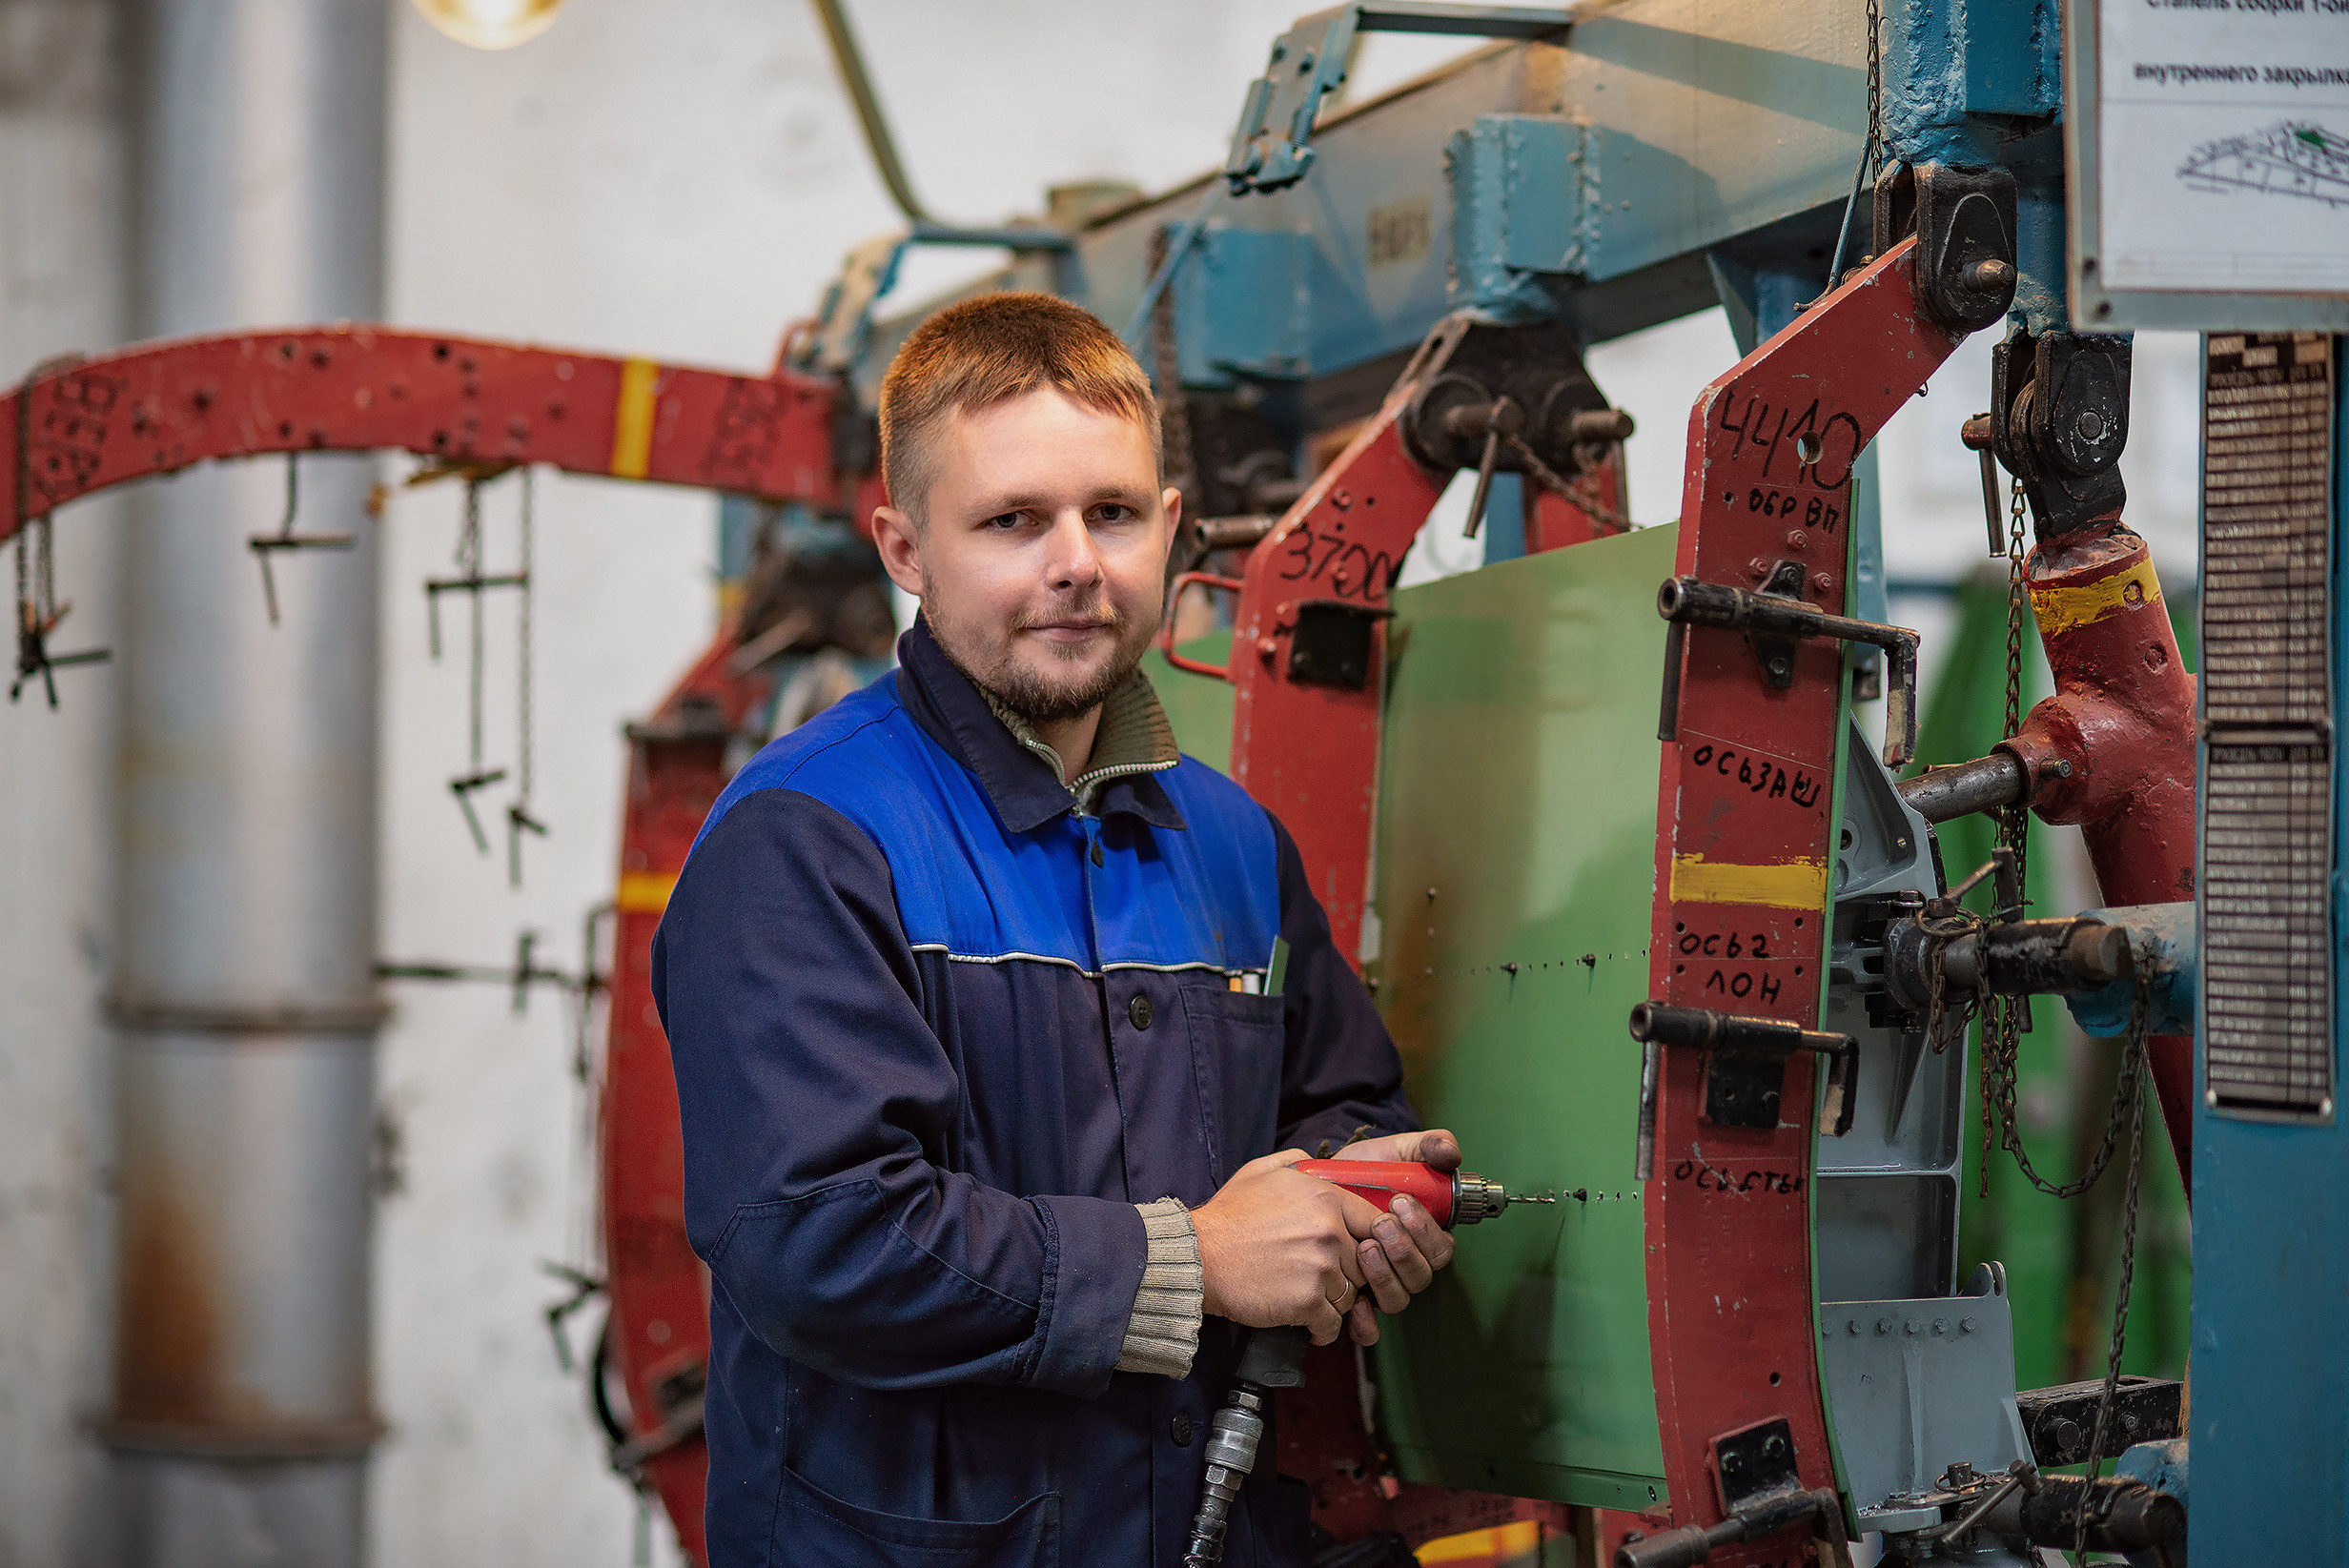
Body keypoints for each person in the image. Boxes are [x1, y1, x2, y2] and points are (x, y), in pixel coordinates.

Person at [654, 291, 1462, 1567]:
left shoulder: (1234, 844)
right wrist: (1200, 1261)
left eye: (1114, 513)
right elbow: (822, 1236)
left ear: (1172, 529)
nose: (1078, 562)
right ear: (904, 547)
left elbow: (1342, 1098)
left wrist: (1356, 1206)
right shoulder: (807, 838)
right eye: (1013, 521)